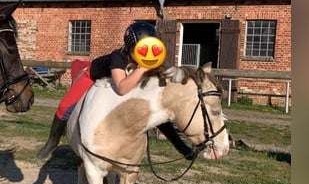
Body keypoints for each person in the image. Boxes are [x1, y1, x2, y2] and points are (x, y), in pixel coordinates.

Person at [35, 21, 195, 160]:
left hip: (118, 80)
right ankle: (52, 141)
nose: (146, 54)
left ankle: (181, 147)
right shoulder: (118, 57)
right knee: (64, 107)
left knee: (155, 110)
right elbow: (123, 88)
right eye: (141, 50)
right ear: (130, 47)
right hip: (91, 77)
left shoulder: (148, 58)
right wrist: (142, 69)